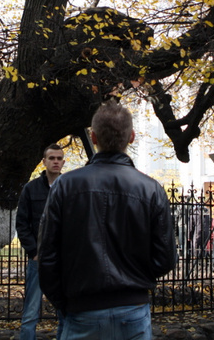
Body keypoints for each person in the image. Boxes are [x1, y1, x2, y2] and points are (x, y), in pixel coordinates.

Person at [39, 101, 176, 340]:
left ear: (93, 137)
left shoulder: (65, 185)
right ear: (131, 137)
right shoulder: (151, 189)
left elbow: (47, 255)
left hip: (82, 309)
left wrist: (65, 300)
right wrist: (136, 279)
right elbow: (165, 258)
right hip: (132, 308)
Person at [16, 143, 66, 340]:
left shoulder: (69, 186)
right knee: (30, 312)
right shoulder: (31, 189)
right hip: (38, 260)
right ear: (44, 161)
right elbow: (22, 224)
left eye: (59, 158)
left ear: (63, 162)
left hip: (63, 260)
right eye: (52, 158)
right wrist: (34, 252)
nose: (55, 162)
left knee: (65, 311)